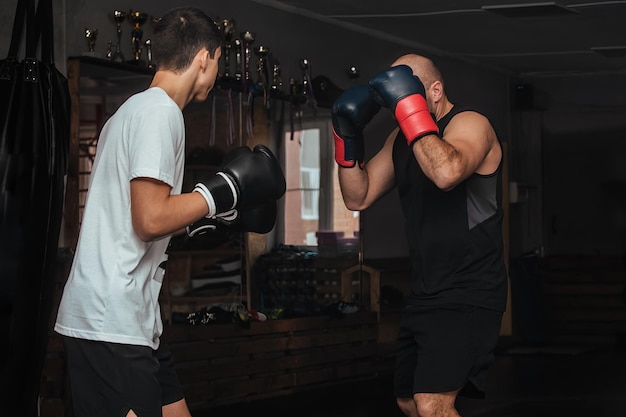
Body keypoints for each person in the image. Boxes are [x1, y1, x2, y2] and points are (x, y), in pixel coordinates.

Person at [54, 7, 285, 417]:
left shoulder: (129, 112)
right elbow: (149, 220)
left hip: (133, 319)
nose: (214, 75)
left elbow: (138, 219)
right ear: (205, 57)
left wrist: (214, 217)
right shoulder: (160, 114)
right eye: (217, 63)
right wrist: (226, 190)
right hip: (112, 319)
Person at [331, 53, 507, 417]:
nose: (397, 103)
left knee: (432, 403)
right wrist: (346, 139)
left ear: (435, 91)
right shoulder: (402, 138)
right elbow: (357, 196)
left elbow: (446, 172)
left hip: (470, 288)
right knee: (409, 402)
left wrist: (411, 112)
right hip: (427, 290)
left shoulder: (472, 124)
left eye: (407, 92)